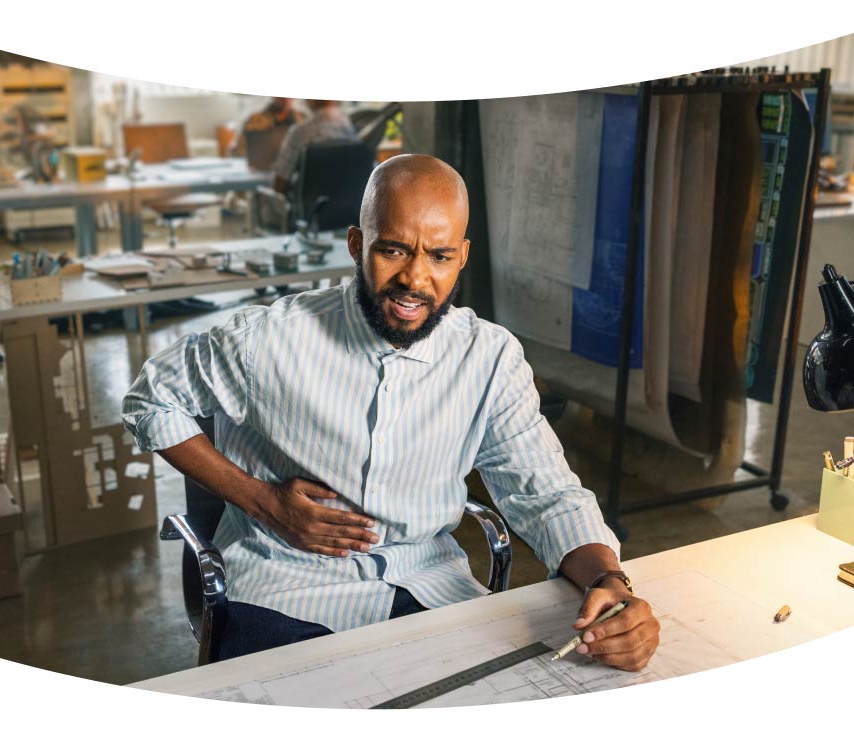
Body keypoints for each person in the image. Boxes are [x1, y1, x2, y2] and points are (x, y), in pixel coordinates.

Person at [123, 154, 661, 669]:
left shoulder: (490, 359)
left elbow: (546, 494)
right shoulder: (269, 339)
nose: (415, 279)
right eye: (395, 250)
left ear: (463, 256)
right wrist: (262, 502)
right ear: (357, 244)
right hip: (284, 589)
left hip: (429, 586)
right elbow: (150, 400)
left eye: (440, 256)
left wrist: (608, 583)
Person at [270, 99, 358, 193]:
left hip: (309, 205)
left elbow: (279, 185)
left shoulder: (300, 133)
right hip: (349, 203)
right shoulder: (352, 131)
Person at [232, 97, 306, 160]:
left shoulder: (302, 119)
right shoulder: (255, 120)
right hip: (262, 169)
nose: (286, 99)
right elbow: (237, 151)